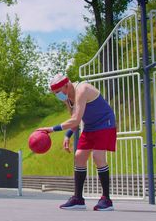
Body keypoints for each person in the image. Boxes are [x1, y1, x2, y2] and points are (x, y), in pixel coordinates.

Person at [36, 74, 116, 211]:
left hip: (105, 124)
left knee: (97, 156)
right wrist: (68, 135)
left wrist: (51, 129)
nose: (57, 96)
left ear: (66, 85)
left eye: (57, 92)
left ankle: (106, 199)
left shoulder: (82, 89)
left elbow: (76, 120)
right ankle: (78, 199)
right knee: (79, 157)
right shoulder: (68, 98)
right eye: (55, 93)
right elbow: (74, 120)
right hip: (90, 126)